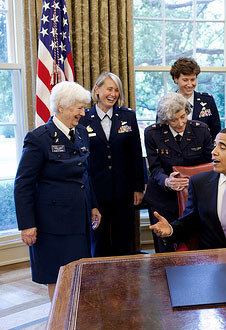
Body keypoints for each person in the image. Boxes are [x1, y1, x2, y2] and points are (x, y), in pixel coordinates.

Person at [14, 81, 101, 300]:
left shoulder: (81, 133)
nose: (83, 112)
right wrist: (27, 224)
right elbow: (23, 184)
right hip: (53, 223)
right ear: (61, 107)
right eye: (78, 108)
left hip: (79, 219)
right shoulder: (39, 138)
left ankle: (75, 319)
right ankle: (59, 322)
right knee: (57, 276)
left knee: (79, 273)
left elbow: (85, 174)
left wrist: (93, 205)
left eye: (83, 107)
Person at [80, 72, 144, 256]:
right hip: (95, 190)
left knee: (123, 238)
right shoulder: (83, 118)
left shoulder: (128, 116)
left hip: (123, 190)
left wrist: (138, 187)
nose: (113, 94)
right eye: (109, 89)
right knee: (98, 239)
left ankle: (124, 279)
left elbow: (135, 154)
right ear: (97, 90)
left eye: (116, 90)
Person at [144, 92, 213, 252]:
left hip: (194, 198)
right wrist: (167, 181)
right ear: (165, 119)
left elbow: (210, 164)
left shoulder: (201, 130)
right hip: (162, 199)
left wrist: (194, 180)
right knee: (165, 248)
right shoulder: (152, 133)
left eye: (183, 116)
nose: (181, 123)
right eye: (174, 120)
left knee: (192, 246)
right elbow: (154, 168)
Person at [170, 57, 221, 139]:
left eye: (193, 79)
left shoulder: (207, 100)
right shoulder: (167, 103)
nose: (190, 84)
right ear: (176, 79)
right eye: (185, 80)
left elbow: (216, 132)